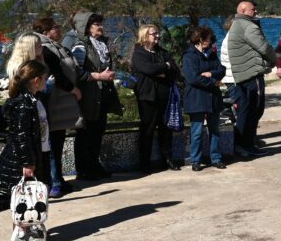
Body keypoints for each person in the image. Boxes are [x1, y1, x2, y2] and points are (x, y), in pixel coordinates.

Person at [0, 60, 51, 241]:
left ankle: (27, 227)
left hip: (37, 153)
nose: (46, 81)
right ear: (35, 80)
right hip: (25, 158)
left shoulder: (33, 100)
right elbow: (21, 136)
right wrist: (28, 162)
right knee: (26, 195)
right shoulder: (24, 104)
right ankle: (22, 230)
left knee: (32, 194)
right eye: (44, 78)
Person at [31, 17, 82, 198]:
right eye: (55, 28)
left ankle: (58, 179)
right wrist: (73, 88)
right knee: (52, 144)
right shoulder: (46, 49)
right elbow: (57, 75)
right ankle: (54, 182)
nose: (59, 30)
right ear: (45, 33)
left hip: (59, 102)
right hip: (52, 102)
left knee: (57, 142)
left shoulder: (54, 46)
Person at [69, 13, 121, 180]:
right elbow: (77, 71)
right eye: (97, 24)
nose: (101, 27)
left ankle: (94, 164)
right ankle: (83, 169)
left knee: (98, 132)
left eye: (101, 23)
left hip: (102, 95)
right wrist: (99, 76)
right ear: (87, 27)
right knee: (85, 134)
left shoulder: (102, 44)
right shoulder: (81, 45)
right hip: (88, 96)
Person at [228, 1, 277, 158]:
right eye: (253, 9)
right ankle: (246, 145)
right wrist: (274, 59)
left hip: (242, 74)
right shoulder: (248, 26)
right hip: (252, 73)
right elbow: (263, 47)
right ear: (243, 10)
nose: (256, 11)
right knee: (254, 110)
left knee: (246, 110)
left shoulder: (236, 24)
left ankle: (243, 145)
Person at [132, 24, 181, 173]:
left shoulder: (162, 52)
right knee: (148, 129)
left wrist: (162, 69)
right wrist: (163, 67)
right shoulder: (139, 53)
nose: (158, 36)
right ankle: (144, 162)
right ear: (145, 36)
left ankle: (167, 159)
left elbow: (174, 69)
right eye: (154, 34)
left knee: (166, 129)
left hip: (164, 96)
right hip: (148, 97)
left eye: (157, 33)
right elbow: (147, 69)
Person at [183, 26, 228, 171]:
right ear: (201, 39)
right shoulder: (189, 56)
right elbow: (193, 78)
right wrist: (214, 82)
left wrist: (210, 73)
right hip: (197, 99)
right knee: (196, 131)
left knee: (214, 130)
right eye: (209, 38)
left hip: (213, 98)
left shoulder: (211, 54)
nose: (211, 41)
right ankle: (196, 160)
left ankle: (216, 158)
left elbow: (222, 70)